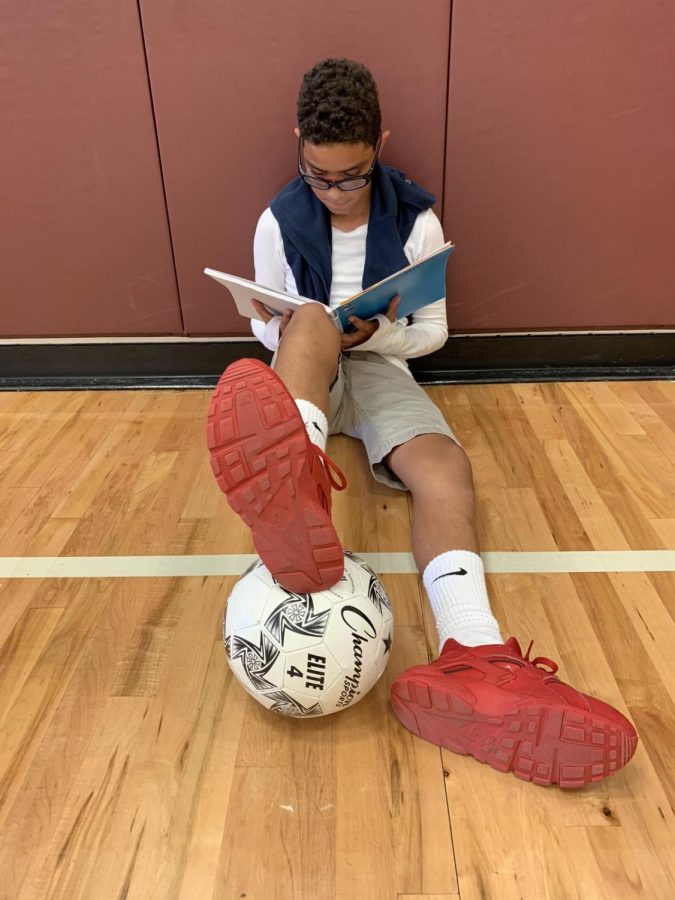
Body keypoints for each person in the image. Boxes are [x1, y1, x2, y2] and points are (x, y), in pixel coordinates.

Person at [207, 58, 637, 787]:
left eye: (352, 175)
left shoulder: (416, 218)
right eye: (318, 175)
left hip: (377, 364)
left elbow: (433, 332)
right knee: (307, 320)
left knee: (443, 465)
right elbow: (267, 331)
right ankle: (295, 488)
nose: (335, 192)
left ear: (380, 143)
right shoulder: (277, 220)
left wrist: (378, 338)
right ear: (297, 146)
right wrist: (280, 324)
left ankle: (473, 652)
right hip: (305, 364)